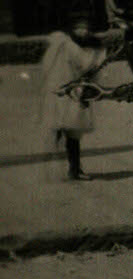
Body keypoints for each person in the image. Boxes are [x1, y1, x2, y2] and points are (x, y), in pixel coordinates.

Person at [40, 16, 107, 181]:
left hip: (59, 91)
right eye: (79, 28)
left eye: (86, 28)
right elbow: (86, 65)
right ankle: (69, 170)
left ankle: (68, 169)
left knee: (64, 132)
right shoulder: (70, 46)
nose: (83, 31)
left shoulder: (61, 45)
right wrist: (99, 54)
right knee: (70, 133)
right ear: (73, 30)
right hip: (68, 93)